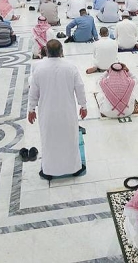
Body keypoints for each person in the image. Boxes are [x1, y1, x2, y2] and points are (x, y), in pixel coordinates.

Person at [28, 40, 87, 180]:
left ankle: (49, 170)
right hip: (67, 112)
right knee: (69, 139)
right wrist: (83, 106)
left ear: (46, 52)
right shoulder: (70, 67)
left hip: (47, 112)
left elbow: (33, 92)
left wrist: (31, 109)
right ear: (61, 51)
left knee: (49, 140)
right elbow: (80, 88)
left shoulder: (39, 68)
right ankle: (74, 168)